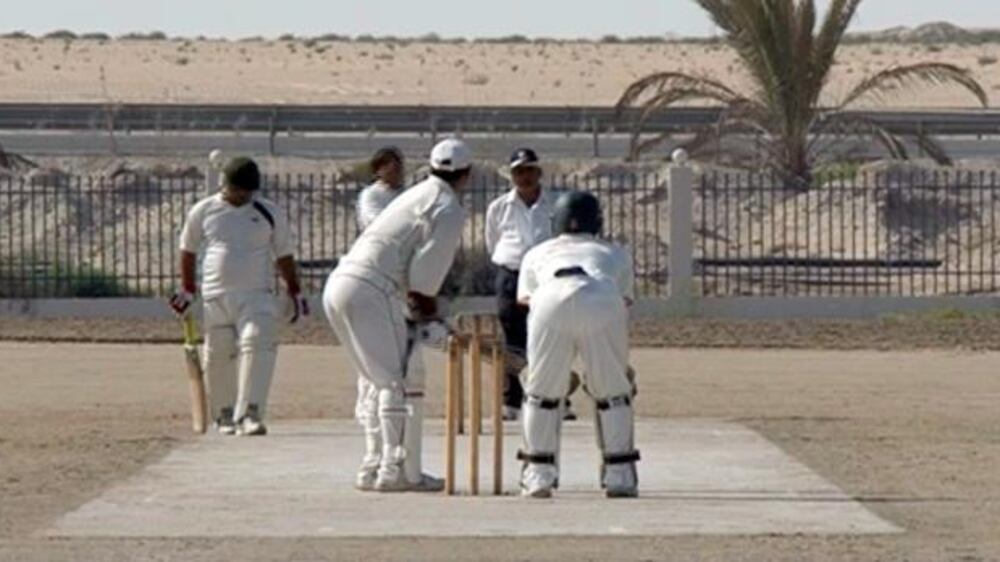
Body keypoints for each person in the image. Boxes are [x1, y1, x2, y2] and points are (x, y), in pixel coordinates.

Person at [323, 138, 471, 492]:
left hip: (339, 284)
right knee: (394, 380)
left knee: (376, 380)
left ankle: (372, 465)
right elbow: (425, 275)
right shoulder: (448, 206)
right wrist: (428, 308)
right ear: (467, 174)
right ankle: (396, 470)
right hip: (372, 290)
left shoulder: (416, 193)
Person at [170, 157, 308, 437]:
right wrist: (187, 289)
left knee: (258, 341)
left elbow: (283, 254)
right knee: (218, 352)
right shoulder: (204, 210)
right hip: (215, 296)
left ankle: (251, 413)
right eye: (237, 190)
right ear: (225, 185)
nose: (242, 196)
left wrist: (295, 290)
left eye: (248, 191)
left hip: (256, 295)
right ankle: (224, 414)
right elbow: (188, 250)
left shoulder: (268, 212)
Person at [516, 191, 639, 499]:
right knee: (612, 391)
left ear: (555, 222)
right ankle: (619, 475)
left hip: (549, 299)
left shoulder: (536, 253)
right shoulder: (616, 253)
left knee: (542, 393)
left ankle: (538, 475)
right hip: (601, 297)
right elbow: (624, 300)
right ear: (597, 221)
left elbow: (525, 300)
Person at [351, 146, 427, 493]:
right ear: (378, 168)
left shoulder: (407, 197)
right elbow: (384, 230)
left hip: (399, 289)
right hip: (377, 287)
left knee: (400, 375)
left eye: (401, 167)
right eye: (391, 167)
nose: (397, 173)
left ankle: (395, 466)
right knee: (381, 378)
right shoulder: (372, 197)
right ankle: (382, 465)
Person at [484, 148, 577, 421]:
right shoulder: (499, 207)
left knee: (553, 335)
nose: (524, 177)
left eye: (529, 170)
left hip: (547, 276)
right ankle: (512, 400)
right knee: (513, 339)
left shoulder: (556, 203)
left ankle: (557, 397)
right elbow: (493, 241)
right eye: (518, 172)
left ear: (539, 172)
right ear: (512, 175)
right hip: (511, 275)